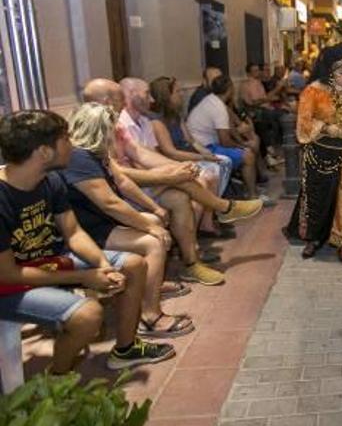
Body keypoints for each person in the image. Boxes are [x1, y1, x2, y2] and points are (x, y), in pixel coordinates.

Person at [0, 110, 175, 372]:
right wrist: (86, 277)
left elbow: (73, 233)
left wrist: (103, 265)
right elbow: (9, 274)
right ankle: (58, 379)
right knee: (88, 314)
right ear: (44, 152)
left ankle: (126, 349)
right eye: (66, 139)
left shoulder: (51, 180)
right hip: (10, 285)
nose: (73, 145)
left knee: (134, 264)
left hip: (51, 261)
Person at [83, 78, 262, 286]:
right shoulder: (92, 129)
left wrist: (177, 168)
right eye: (119, 97)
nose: (124, 102)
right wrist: (169, 175)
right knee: (180, 182)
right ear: (105, 101)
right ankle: (223, 208)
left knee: (179, 196)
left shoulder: (116, 126)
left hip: (130, 186)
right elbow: (118, 176)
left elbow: (141, 154)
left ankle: (191, 264)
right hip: (115, 195)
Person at [61, 103, 194, 338]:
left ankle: (148, 286)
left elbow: (123, 183)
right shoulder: (79, 158)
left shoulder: (95, 153)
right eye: (112, 128)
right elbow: (110, 204)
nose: (116, 133)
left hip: (98, 221)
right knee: (153, 243)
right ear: (101, 130)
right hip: (86, 229)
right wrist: (151, 228)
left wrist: (154, 209)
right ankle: (150, 316)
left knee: (154, 220)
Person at [284, 42, 342, 262]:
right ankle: (314, 238)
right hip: (320, 153)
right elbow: (303, 124)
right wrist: (325, 127)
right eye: (341, 72)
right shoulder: (313, 90)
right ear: (330, 72)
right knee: (317, 197)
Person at [149, 76, 234, 237]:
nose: (181, 94)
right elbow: (170, 152)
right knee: (210, 173)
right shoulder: (157, 121)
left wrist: (206, 153)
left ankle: (209, 218)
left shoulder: (176, 115)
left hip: (189, 154)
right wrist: (203, 159)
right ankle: (207, 220)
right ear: (166, 96)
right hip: (176, 159)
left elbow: (191, 140)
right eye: (177, 91)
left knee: (223, 161)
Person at [187, 75, 261, 201]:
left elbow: (229, 129)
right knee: (247, 156)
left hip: (201, 144)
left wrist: (241, 142)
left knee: (249, 147)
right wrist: (243, 147)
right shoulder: (218, 108)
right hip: (205, 148)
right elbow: (225, 141)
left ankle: (251, 186)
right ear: (230, 90)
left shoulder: (211, 100)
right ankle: (252, 195)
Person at [240, 63, 286, 165]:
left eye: (258, 70)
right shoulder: (247, 84)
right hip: (255, 112)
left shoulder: (258, 82)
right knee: (274, 116)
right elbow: (253, 102)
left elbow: (264, 98)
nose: (258, 73)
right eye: (255, 71)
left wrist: (269, 100)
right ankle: (270, 154)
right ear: (248, 73)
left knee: (281, 114)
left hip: (264, 110)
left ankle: (272, 152)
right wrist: (271, 96)